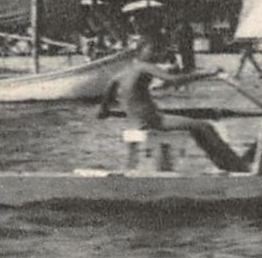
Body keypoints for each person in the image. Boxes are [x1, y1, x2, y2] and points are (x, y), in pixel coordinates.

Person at [98, 37, 252, 172]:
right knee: (205, 126)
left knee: (196, 128)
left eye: (158, 50)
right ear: (140, 51)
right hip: (152, 121)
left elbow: (110, 86)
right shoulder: (145, 66)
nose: (157, 54)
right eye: (153, 50)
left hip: (137, 121)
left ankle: (225, 165)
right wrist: (209, 73)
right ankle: (238, 167)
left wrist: (104, 109)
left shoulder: (124, 71)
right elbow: (174, 80)